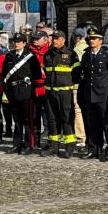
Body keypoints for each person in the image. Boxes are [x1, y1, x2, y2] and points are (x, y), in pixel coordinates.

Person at [78, 28, 108, 161]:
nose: (92, 41)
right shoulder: (86, 55)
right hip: (89, 94)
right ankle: (94, 148)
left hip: (103, 94)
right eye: (90, 39)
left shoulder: (107, 56)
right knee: (92, 123)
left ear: (101, 41)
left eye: (94, 39)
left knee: (106, 123)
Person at [42, 30, 81, 158]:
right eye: (53, 38)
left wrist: (67, 83)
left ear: (63, 40)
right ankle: (54, 146)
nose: (54, 40)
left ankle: (69, 146)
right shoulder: (48, 54)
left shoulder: (70, 54)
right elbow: (45, 72)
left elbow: (77, 73)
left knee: (67, 118)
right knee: (52, 119)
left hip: (65, 93)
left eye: (57, 38)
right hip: (50, 92)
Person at [2, 33, 41, 154]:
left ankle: (29, 145)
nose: (16, 44)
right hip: (13, 90)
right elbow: (4, 73)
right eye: (15, 41)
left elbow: (37, 74)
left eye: (19, 42)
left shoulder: (30, 56)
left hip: (26, 90)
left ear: (24, 43)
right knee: (17, 120)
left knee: (27, 120)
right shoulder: (9, 56)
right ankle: (16, 144)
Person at [28, 30, 50, 151]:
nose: (35, 40)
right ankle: (35, 141)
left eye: (38, 38)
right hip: (34, 87)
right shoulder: (29, 51)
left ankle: (51, 142)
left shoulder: (50, 51)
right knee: (34, 115)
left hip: (47, 87)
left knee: (50, 116)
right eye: (34, 38)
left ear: (45, 40)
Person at [71, 28, 88, 148]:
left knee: (77, 111)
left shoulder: (76, 49)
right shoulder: (87, 47)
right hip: (86, 84)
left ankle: (81, 137)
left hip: (76, 84)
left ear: (75, 37)